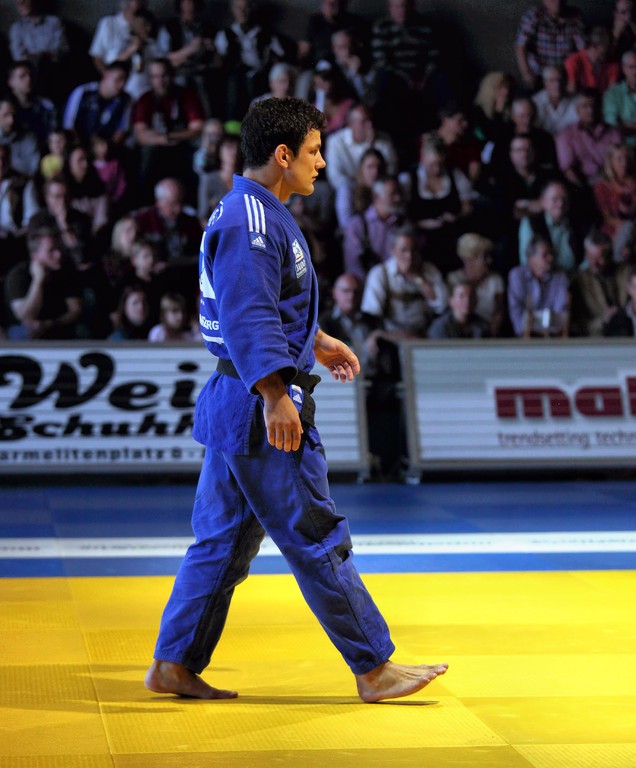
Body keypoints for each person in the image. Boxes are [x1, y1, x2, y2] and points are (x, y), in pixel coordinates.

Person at [144, 96, 448, 703]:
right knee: (315, 532)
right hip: (256, 405)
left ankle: (174, 662)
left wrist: (317, 341)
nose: (321, 163)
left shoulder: (253, 211)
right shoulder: (252, 223)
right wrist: (275, 394)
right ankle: (373, 667)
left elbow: (268, 303)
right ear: (283, 155)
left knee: (222, 541)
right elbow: (246, 315)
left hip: (236, 400)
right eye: (313, 151)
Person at [4, 226, 81, 340]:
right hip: (21, 327)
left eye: (59, 249)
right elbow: (26, 316)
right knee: (26, 332)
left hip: (54, 324)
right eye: (51, 251)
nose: (58, 254)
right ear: (35, 256)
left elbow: (76, 311)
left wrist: (49, 324)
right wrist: (38, 280)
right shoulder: (18, 275)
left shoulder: (65, 271)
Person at [342, 176, 406, 281]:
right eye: (392, 194)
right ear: (376, 196)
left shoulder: (402, 223)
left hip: (397, 281)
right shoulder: (357, 224)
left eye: (398, 194)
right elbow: (353, 265)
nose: (397, 198)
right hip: (366, 283)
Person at [555, 88, 622, 188]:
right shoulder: (566, 135)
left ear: (601, 107)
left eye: (594, 105)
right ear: (577, 110)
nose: (590, 110)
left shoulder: (613, 132)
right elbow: (568, 170)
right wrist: (583, 190)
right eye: (585, 106)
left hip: (611, 185)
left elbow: (621, 164)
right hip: (581, 187)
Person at [324, 103, 397, 192]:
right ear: (351, 124)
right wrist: (359, 188)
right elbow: (335, 177)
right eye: (364, 122)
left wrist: (371, 146)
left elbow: (391, 170)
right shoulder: (335, 142)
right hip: (350, 191)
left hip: (377, 190)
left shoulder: (383, 140)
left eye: (370, 120)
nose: (370, 125)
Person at [514, 0, 585, 91]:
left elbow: (582, 49)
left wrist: (573, 78)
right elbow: (520, 45)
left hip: (563, 74)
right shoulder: (534, 15)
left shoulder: (575, 16)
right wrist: (526, 73)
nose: (557, 2)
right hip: (539, 74)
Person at [507, 234, 570, 337]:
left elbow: (560, 315)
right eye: (545, 255)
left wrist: (534, 320)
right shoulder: (517, 276)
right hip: (524, 338)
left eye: (551, 254)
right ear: (531, 258)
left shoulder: (560, 277)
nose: (550, 258)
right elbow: (516, 314)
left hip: (553, 338)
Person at [447, 233, 505, 337]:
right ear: (469, 260)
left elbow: (498, 312)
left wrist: (489, 337)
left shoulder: (495, 280)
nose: (489, 261)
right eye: (484, 257)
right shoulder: (454, 279)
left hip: (487, 333)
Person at [62, 61, 132, 147]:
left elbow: (121, 131)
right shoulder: (83, 92)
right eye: (119, 79)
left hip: (106, 149)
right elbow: (68, 125)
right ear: (107, 75)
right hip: (78, 146)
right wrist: (81, 147)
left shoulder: (125, 99)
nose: (122, 85)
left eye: (125, 80)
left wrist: (106, 147)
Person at [517, 180, 582, 273]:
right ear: (543, 202)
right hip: (543, 278)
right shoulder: (531, 223)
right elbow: (526, 261)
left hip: (573, 276)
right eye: (555, 199)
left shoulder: (574, 223)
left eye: (564, 199)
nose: (560, 204)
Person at [570, 229, 621, 336]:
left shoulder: (625, 274)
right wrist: (603, 320)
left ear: (609, 255)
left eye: (600, 257)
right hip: (595, 338)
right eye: (591, 257)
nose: (594, 263)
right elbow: (577, 325)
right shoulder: (579, 282)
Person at [593, 142, 636, 261]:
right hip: (616, 228)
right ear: (611, 161)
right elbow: (607, 217)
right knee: (627, 228)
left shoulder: (633, 182)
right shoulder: (602, 186)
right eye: (619, 159)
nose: (624, 163)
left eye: (626, 158)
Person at [563, 26, 619, 95]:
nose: (611, 50)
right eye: (608, 47)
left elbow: (612, 93)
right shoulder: (573, 61)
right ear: (596, 46)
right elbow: (571, 91)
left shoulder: (612, 65)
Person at [531, 65, 578, 136]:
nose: (557, 84)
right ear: (545, 83)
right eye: (552, 81)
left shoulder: (575, 101)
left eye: (560, 80)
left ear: (566, 81)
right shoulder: (535, 102)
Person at [603, 50, 636, 146]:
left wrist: (626, 124)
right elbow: (612, 125)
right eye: (631, 67)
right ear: (624, 69)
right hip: (624, 147)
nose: (635, 71)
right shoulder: (612, 94)